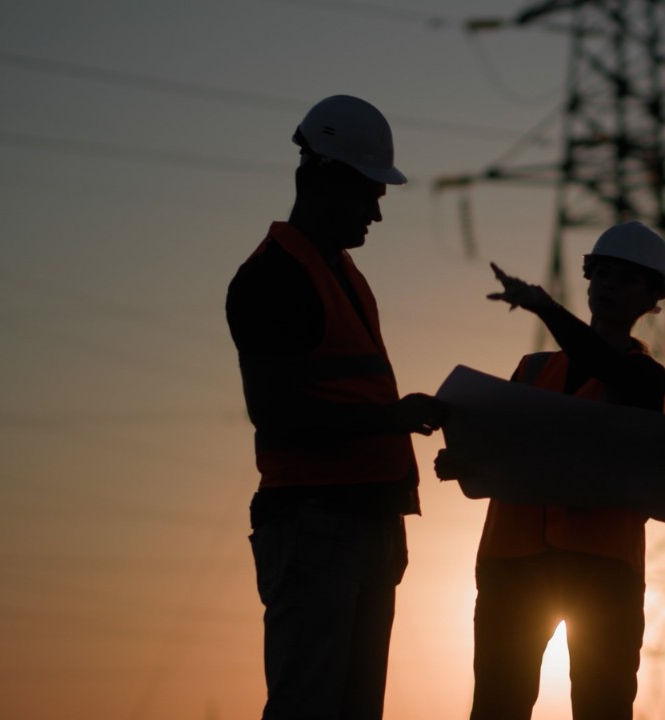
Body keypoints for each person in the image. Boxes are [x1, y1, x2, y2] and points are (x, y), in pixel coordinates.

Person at [225, 94, 448, 720]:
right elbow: (278, 415)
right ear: (323, 179)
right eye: (368, 190)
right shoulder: (275, 279)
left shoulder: (340, 273)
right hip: (316, 526)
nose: (378, 207)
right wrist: (392, 418)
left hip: (364, 524)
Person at [435, 221, 665, 720]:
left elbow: (608, 370)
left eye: (625, 279)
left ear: (653, 297)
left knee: (601, 707)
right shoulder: (530, 370)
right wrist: (467, 460)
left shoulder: (645, 378)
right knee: (498, 705)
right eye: (601, 273)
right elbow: (503, 448)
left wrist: (545, 306)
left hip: (602, 570)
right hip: (513, 563)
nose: (607, 285)